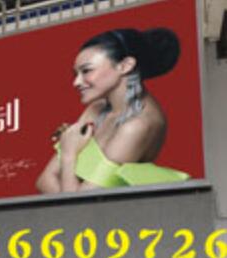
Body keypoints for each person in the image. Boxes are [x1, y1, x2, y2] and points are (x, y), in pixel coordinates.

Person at [36, 28, 187, 194]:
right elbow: (44, 180)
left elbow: (81, 204)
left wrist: (68, 155)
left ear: (125, 66)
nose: (76, 82)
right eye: (76, 74)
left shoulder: (138, 126)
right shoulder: (96, 108)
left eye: (86, 71)